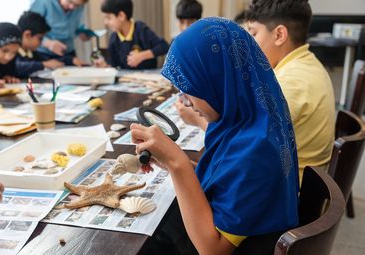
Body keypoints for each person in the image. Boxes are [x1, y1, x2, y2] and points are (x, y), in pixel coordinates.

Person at [131, 18, 299, 254]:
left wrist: (178, 163)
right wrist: (171, 163)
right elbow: (229, 177)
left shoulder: (258, 149)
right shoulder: (247, 118)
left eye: (189, 89)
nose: (185, 100)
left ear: (217, 81)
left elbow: (212, 249)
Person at [246, 0, 335, 180]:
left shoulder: (290, 83)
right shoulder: (307, 63)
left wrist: (199, 120)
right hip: (304, 181)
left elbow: (244, 148)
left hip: (289, 194)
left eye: (253, 34)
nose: (248, 44)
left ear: (279, 34)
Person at [97, 0, 169, 69]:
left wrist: (142, 55)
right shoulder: (114, 38)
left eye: (109, 18)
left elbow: (164, 46)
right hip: (127, 79)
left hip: (148, 76)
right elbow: (114, 63)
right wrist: (105, 64)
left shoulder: (141, 30)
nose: (105, 23)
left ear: (121, 16)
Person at [30, 0, 89, 66]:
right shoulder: (43, 3)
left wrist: (82, 32)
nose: (72, 7)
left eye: (76, 5)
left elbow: (75, 24)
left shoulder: (80, 6)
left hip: (68, 53)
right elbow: (30, 31)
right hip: (43, 53)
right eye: (70, 2)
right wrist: (48, 43)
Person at [16, 11, 64, 78]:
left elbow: (47, 59)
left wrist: (70, 60)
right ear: (28, 35)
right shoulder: (13, 52)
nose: (41, 42)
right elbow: (16, 66)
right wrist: (43, 64)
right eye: (40, 38)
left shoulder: (30, 52)